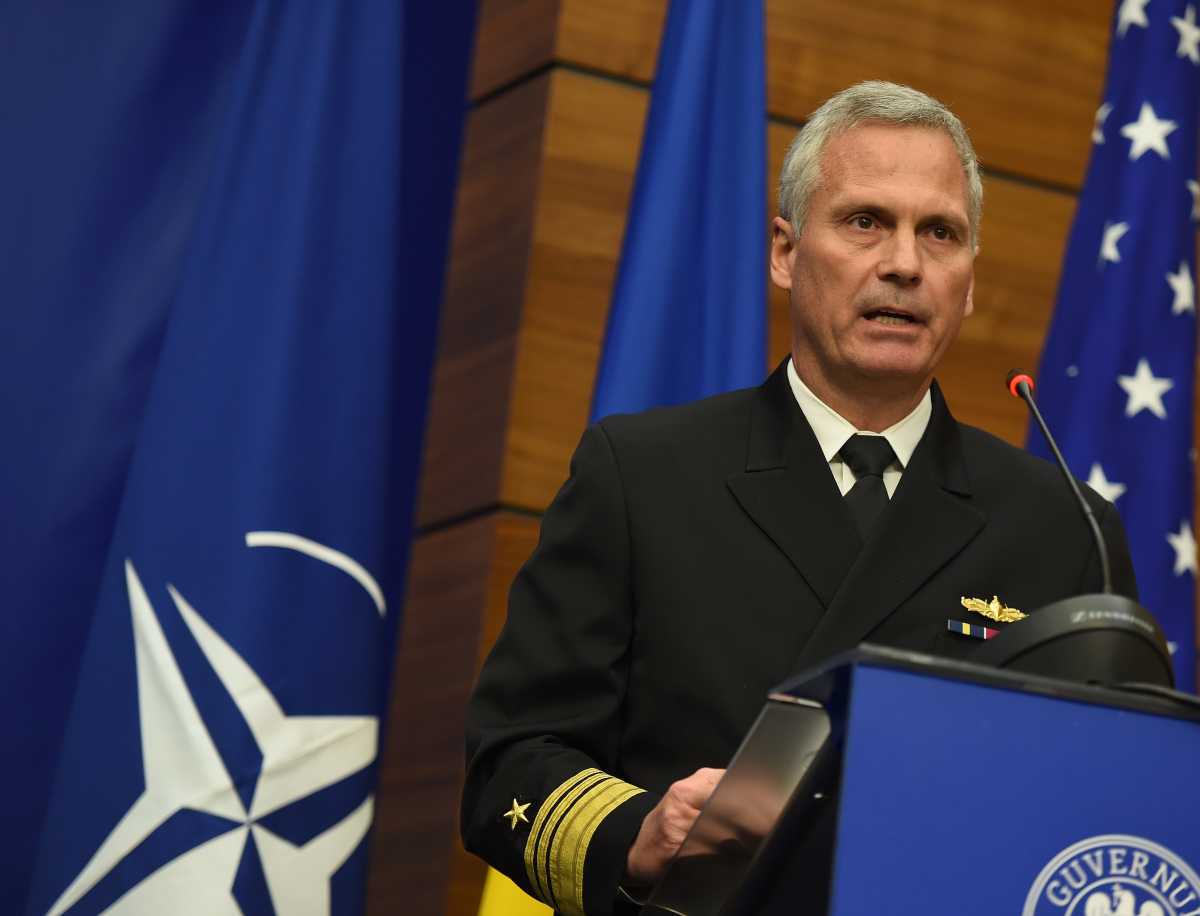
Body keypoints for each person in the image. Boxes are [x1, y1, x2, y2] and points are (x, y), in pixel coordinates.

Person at [460, 81, 1137, 916]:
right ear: (784, 252)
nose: (904, 262)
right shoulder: (642, 474)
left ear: (968, 281)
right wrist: (640, 832)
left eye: (940, 232)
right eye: (865, 222)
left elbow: (1102, 808)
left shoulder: (1061, 523)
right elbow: (511, 763)